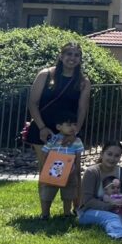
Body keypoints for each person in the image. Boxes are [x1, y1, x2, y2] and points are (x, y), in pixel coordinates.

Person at [25, 42, 91, 170]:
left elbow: (82, 109)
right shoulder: (45, 75)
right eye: (69, 54)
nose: (72, 58)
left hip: (68, 131)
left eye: (76, 55)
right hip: (43, 129)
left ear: (80, 59)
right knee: (46, 170)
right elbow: (32, 103)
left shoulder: (83, 82)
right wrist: (42, 128)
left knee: (67, 171)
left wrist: (74, 132)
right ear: (61, 56)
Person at [38, 113, 84, 218]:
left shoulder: (77, 141)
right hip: (52, 171)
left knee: (69, 193)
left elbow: (78, 158)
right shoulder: (53, 139)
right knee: (47, 192)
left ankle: (67, 213)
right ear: (59, 127)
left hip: (70, 172)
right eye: (68, 125)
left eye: (74, 124)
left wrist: (76, 170)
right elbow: (45, 152)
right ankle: (45, 213)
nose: (72, 127)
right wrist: (45, 167)